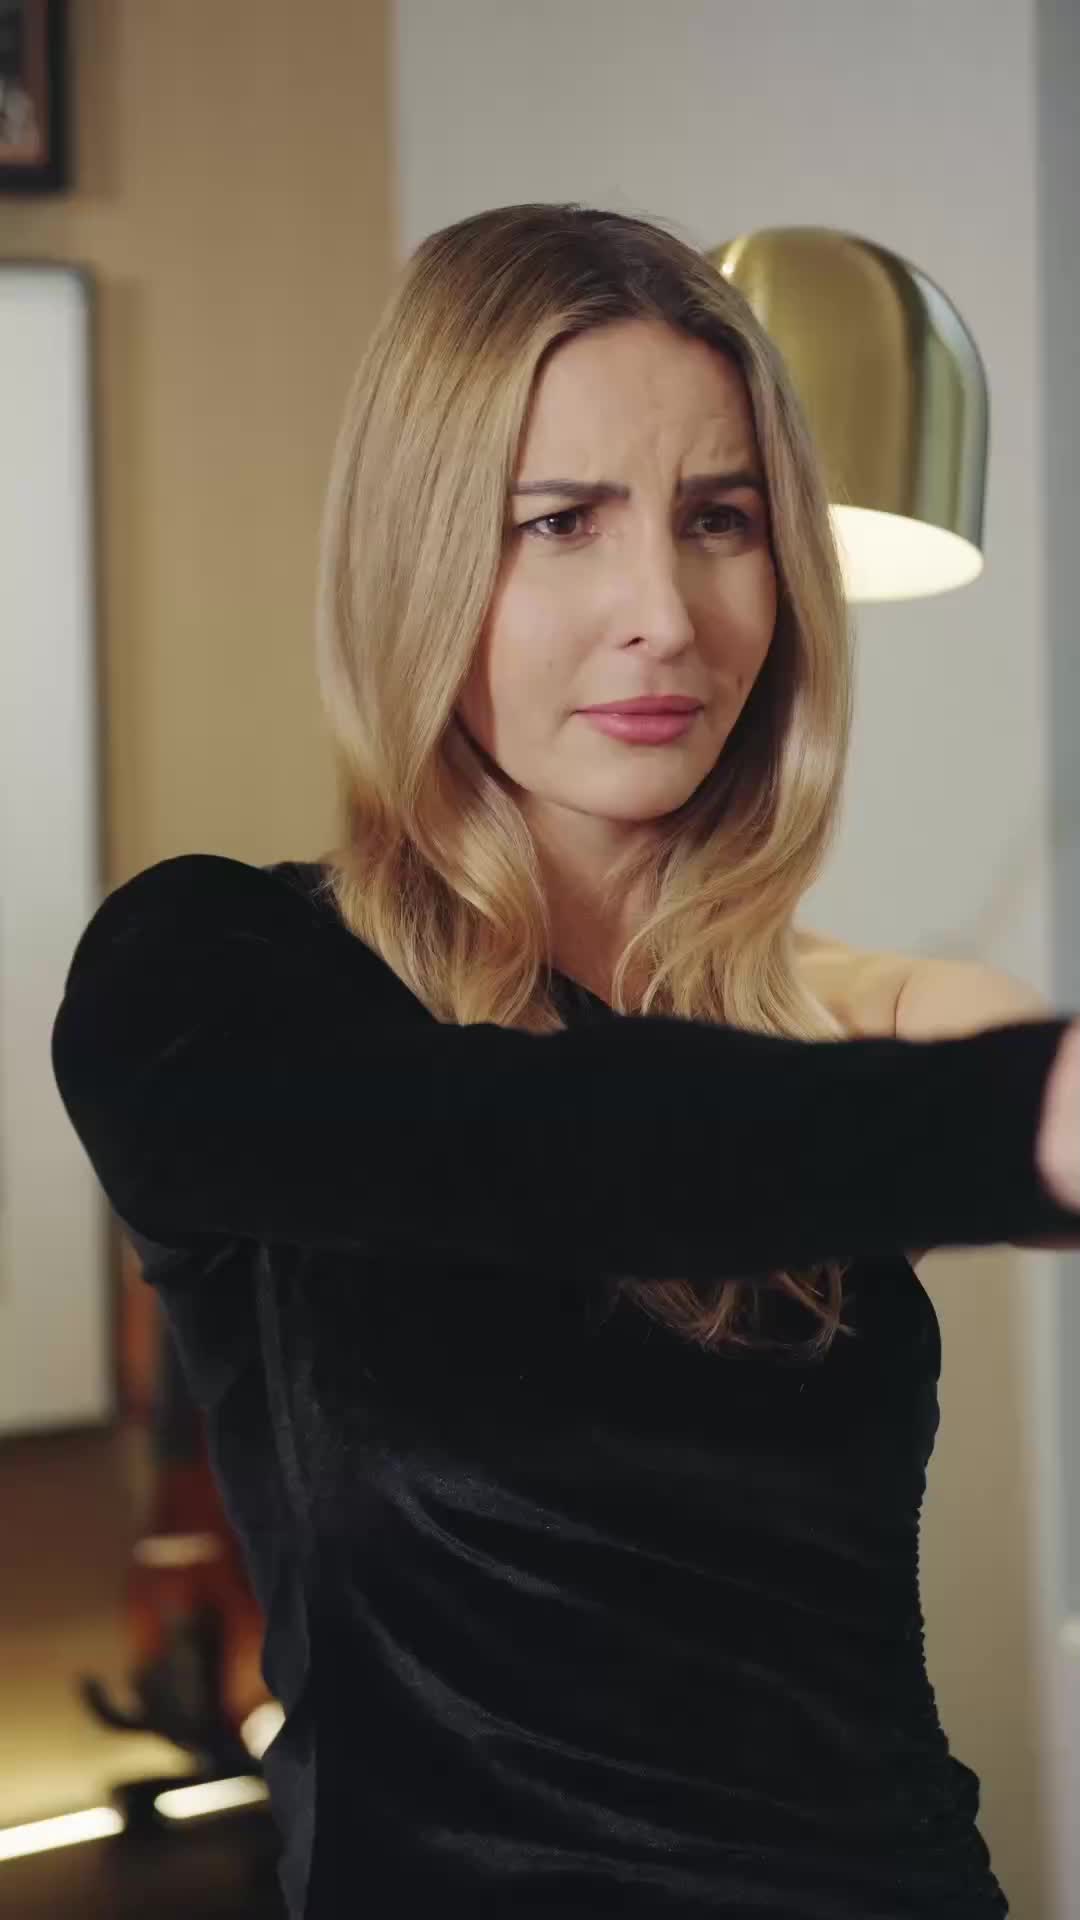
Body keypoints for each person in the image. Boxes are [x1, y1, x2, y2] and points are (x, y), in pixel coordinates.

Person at [50, 203, 1080, 1919]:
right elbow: (542, 1144)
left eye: (720, 520)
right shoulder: (212, 980)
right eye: (560, 523)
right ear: (415, 558)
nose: (663, 613)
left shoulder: (877, 1023)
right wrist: (1015, 1120)